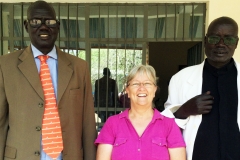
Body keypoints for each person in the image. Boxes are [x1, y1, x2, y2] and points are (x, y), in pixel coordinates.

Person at [0, 1, 96, 160]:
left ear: (57, 26)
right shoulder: (5, 66)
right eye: (36, 22)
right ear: (26, 26)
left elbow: (88, 125)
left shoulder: (79, 67)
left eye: (49, 22)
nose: (43, 27)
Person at [162, 16, 240, 160]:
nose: (221, 44)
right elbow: (165, 128)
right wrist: (184, 110)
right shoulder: (181, 79)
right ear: (205, 41)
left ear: (236, 43)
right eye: (214, 38)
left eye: (228, 39)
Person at [95, 65, 186, 160]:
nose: (141, 88)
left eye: (147, 83)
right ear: (127, 90)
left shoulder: (169, 125)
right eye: (135, 84)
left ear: (154, 90)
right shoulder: (112, 124)